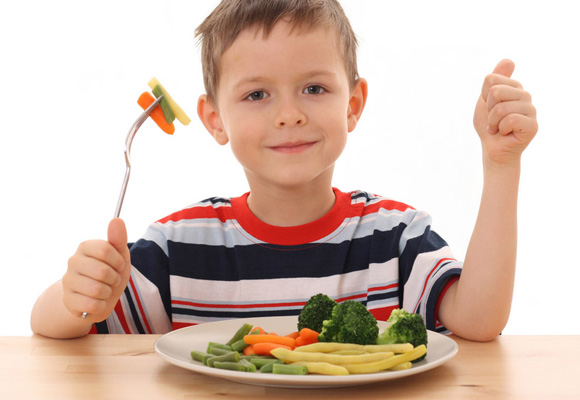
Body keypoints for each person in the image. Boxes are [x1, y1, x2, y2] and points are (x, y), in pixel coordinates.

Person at [30, 0, 537, 341]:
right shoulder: (175, 247)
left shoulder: (396, 238)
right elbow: (57, 327)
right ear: (214, 119)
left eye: (314, 88)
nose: (289, 113)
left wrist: (501, 165)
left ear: (354, 104)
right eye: (256, 94)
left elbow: (480, 321)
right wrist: (75, 298)